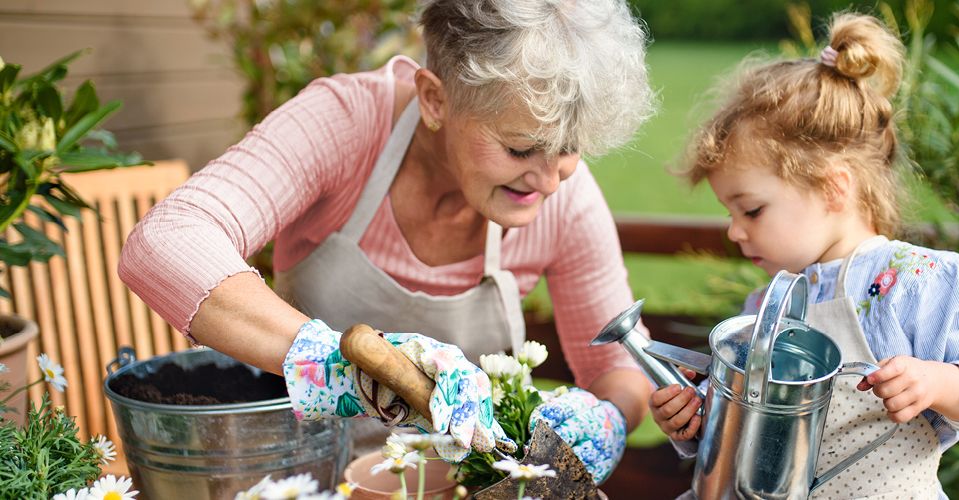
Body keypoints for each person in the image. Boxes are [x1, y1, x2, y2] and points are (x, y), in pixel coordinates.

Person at [118, 0, 655, 484]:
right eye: (519, 149)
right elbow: (168, 240)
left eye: (569, 148)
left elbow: (617, 367)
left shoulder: (564, 195)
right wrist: (332, 365)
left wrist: (606, 417)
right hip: (304, 480)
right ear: (434, 99)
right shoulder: (346, 125)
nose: (550, 181)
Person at [649, 13, 959, 498]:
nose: (734, 230)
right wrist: (697, 415)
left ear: (834, 188)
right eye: (730, 212)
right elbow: (744, 433)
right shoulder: (770, 308)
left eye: (751, 210)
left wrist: (941, 383)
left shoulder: (912, 282)